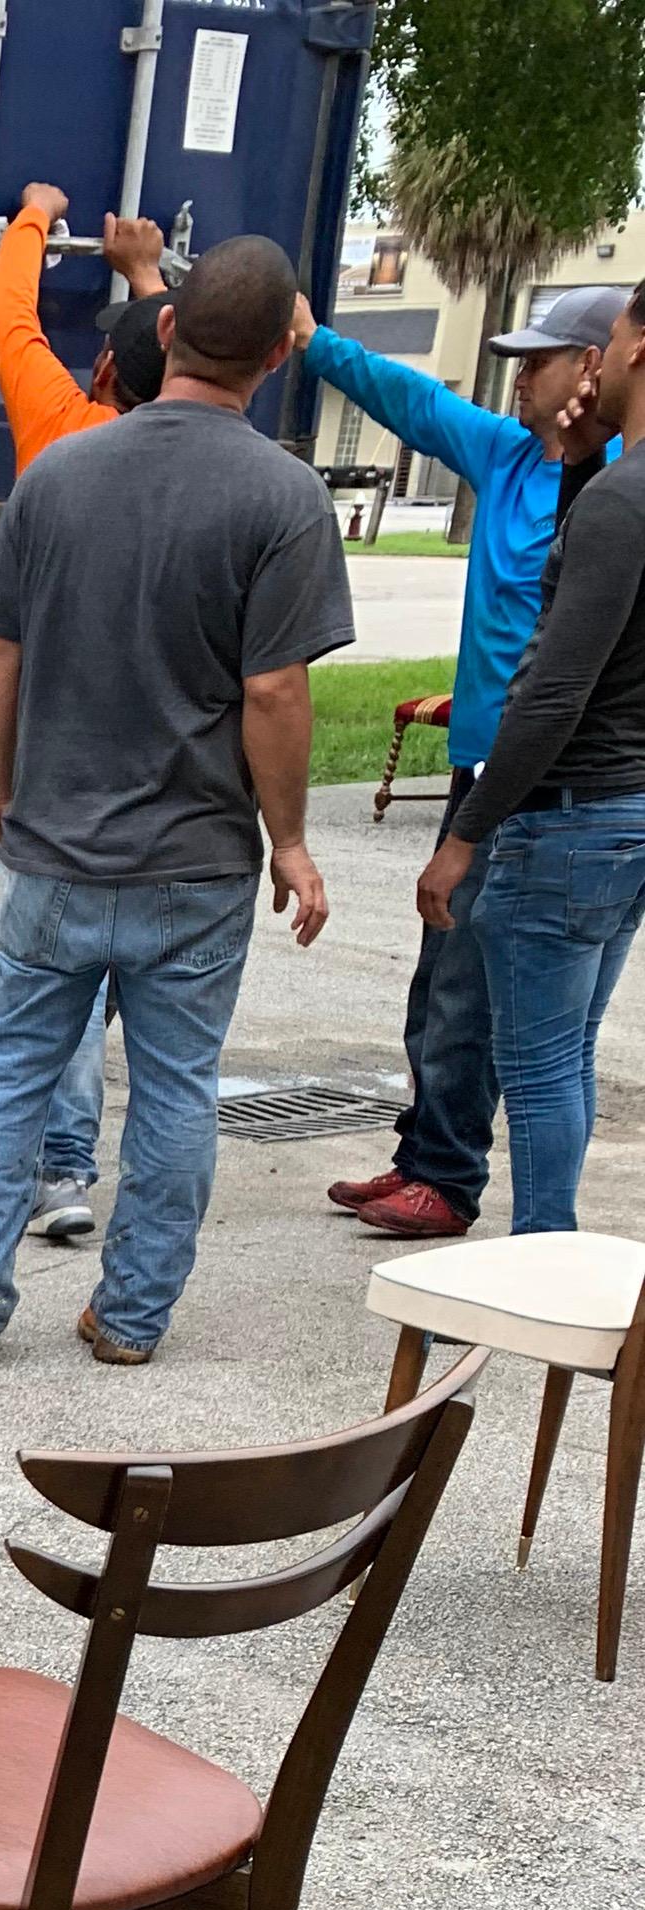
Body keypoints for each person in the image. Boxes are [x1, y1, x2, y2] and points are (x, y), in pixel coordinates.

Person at [0, 237, 352, 1373]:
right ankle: (130, 1317)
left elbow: (0, 654)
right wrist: (293, 841)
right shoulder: (286, 497)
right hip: (196, 867)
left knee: (8, 1071)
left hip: (53, 850)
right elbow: (273, 689)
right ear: (275, 359)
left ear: (165, 330)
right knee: (174, 1090)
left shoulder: (60, 474)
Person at [298, 280, 618, 1241]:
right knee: (441, 978)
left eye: (540, 361)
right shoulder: (510, 455)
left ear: (593, 369)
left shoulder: (614, 486)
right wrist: (316, 343)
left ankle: (453, 1178)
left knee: (486, 996)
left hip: (546, 781)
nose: (520, 377)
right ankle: (427, 1157)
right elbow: (413, 401)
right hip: (483, 767)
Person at [0, 186, 174, 1244]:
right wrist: (149, 277)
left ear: (102, 371)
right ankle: (63, 1177)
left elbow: (7, 317)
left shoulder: (60, 433)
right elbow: (193, 359)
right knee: (69, 979)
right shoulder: (205, 477)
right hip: (99, 764)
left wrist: (32, 216)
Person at [419, 281, 645, 1238]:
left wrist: (465, 834)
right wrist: (586, 460)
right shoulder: (613, 488)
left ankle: (542, 1256)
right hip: (627, 810)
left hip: (570, 817)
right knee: (566, 1049)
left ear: (633, 350)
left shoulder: (622, 504)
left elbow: (555, 688)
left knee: (542, 1064)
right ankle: (544, 1250)